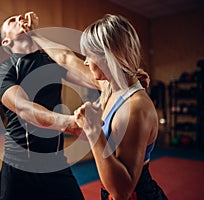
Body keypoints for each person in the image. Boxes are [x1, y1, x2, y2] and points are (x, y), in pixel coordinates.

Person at [27, 12, 167, 200]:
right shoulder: (109, 86)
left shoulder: (136, 107)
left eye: (88, 56)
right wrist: (34, 35)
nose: (85, 62)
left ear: (108, 56)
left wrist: (93, 131)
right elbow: (66, 58)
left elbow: (122, 192)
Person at [0, 13, 100, 200]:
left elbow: (92, 78)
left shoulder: (50, 62)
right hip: (19, 166)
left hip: (54, 162)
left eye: (20, 17)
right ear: (6, 42)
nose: (19, 19)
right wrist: (70, 122)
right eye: (12, 20)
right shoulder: (2, 71)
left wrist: (123, 78)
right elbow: (24, 108)